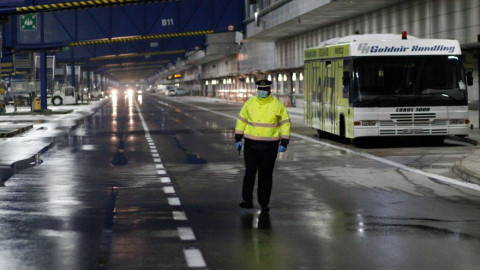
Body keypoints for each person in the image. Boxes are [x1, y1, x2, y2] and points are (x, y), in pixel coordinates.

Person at [234, 79, 291, 212]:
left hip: (269, 146)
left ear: (269, 90)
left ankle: (264, 202)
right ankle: (246, 200)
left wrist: (284, 141)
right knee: (249, 173)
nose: (262, 92)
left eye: (264, 89)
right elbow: (241, 120)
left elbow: (285, 123)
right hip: (251, 144)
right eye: (260, 89)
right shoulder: (249, 103)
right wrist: (238, 138)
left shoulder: (277, 105)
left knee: (265, 175)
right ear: (257, 89)